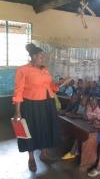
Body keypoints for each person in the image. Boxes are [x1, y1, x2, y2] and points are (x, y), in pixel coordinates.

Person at [12, 43, 69, 172]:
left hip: (46, 104)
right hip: (30, 105)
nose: (43, 58)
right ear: (33, 56)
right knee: (29, 131)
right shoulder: (23, 70)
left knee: (45, 128)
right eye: (40, 56)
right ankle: (31, 158)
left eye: (43, 56)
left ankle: (44, 154)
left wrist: (60, 84)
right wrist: (17, 112)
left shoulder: (45, 70)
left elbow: (51, 87)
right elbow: (18, 91)